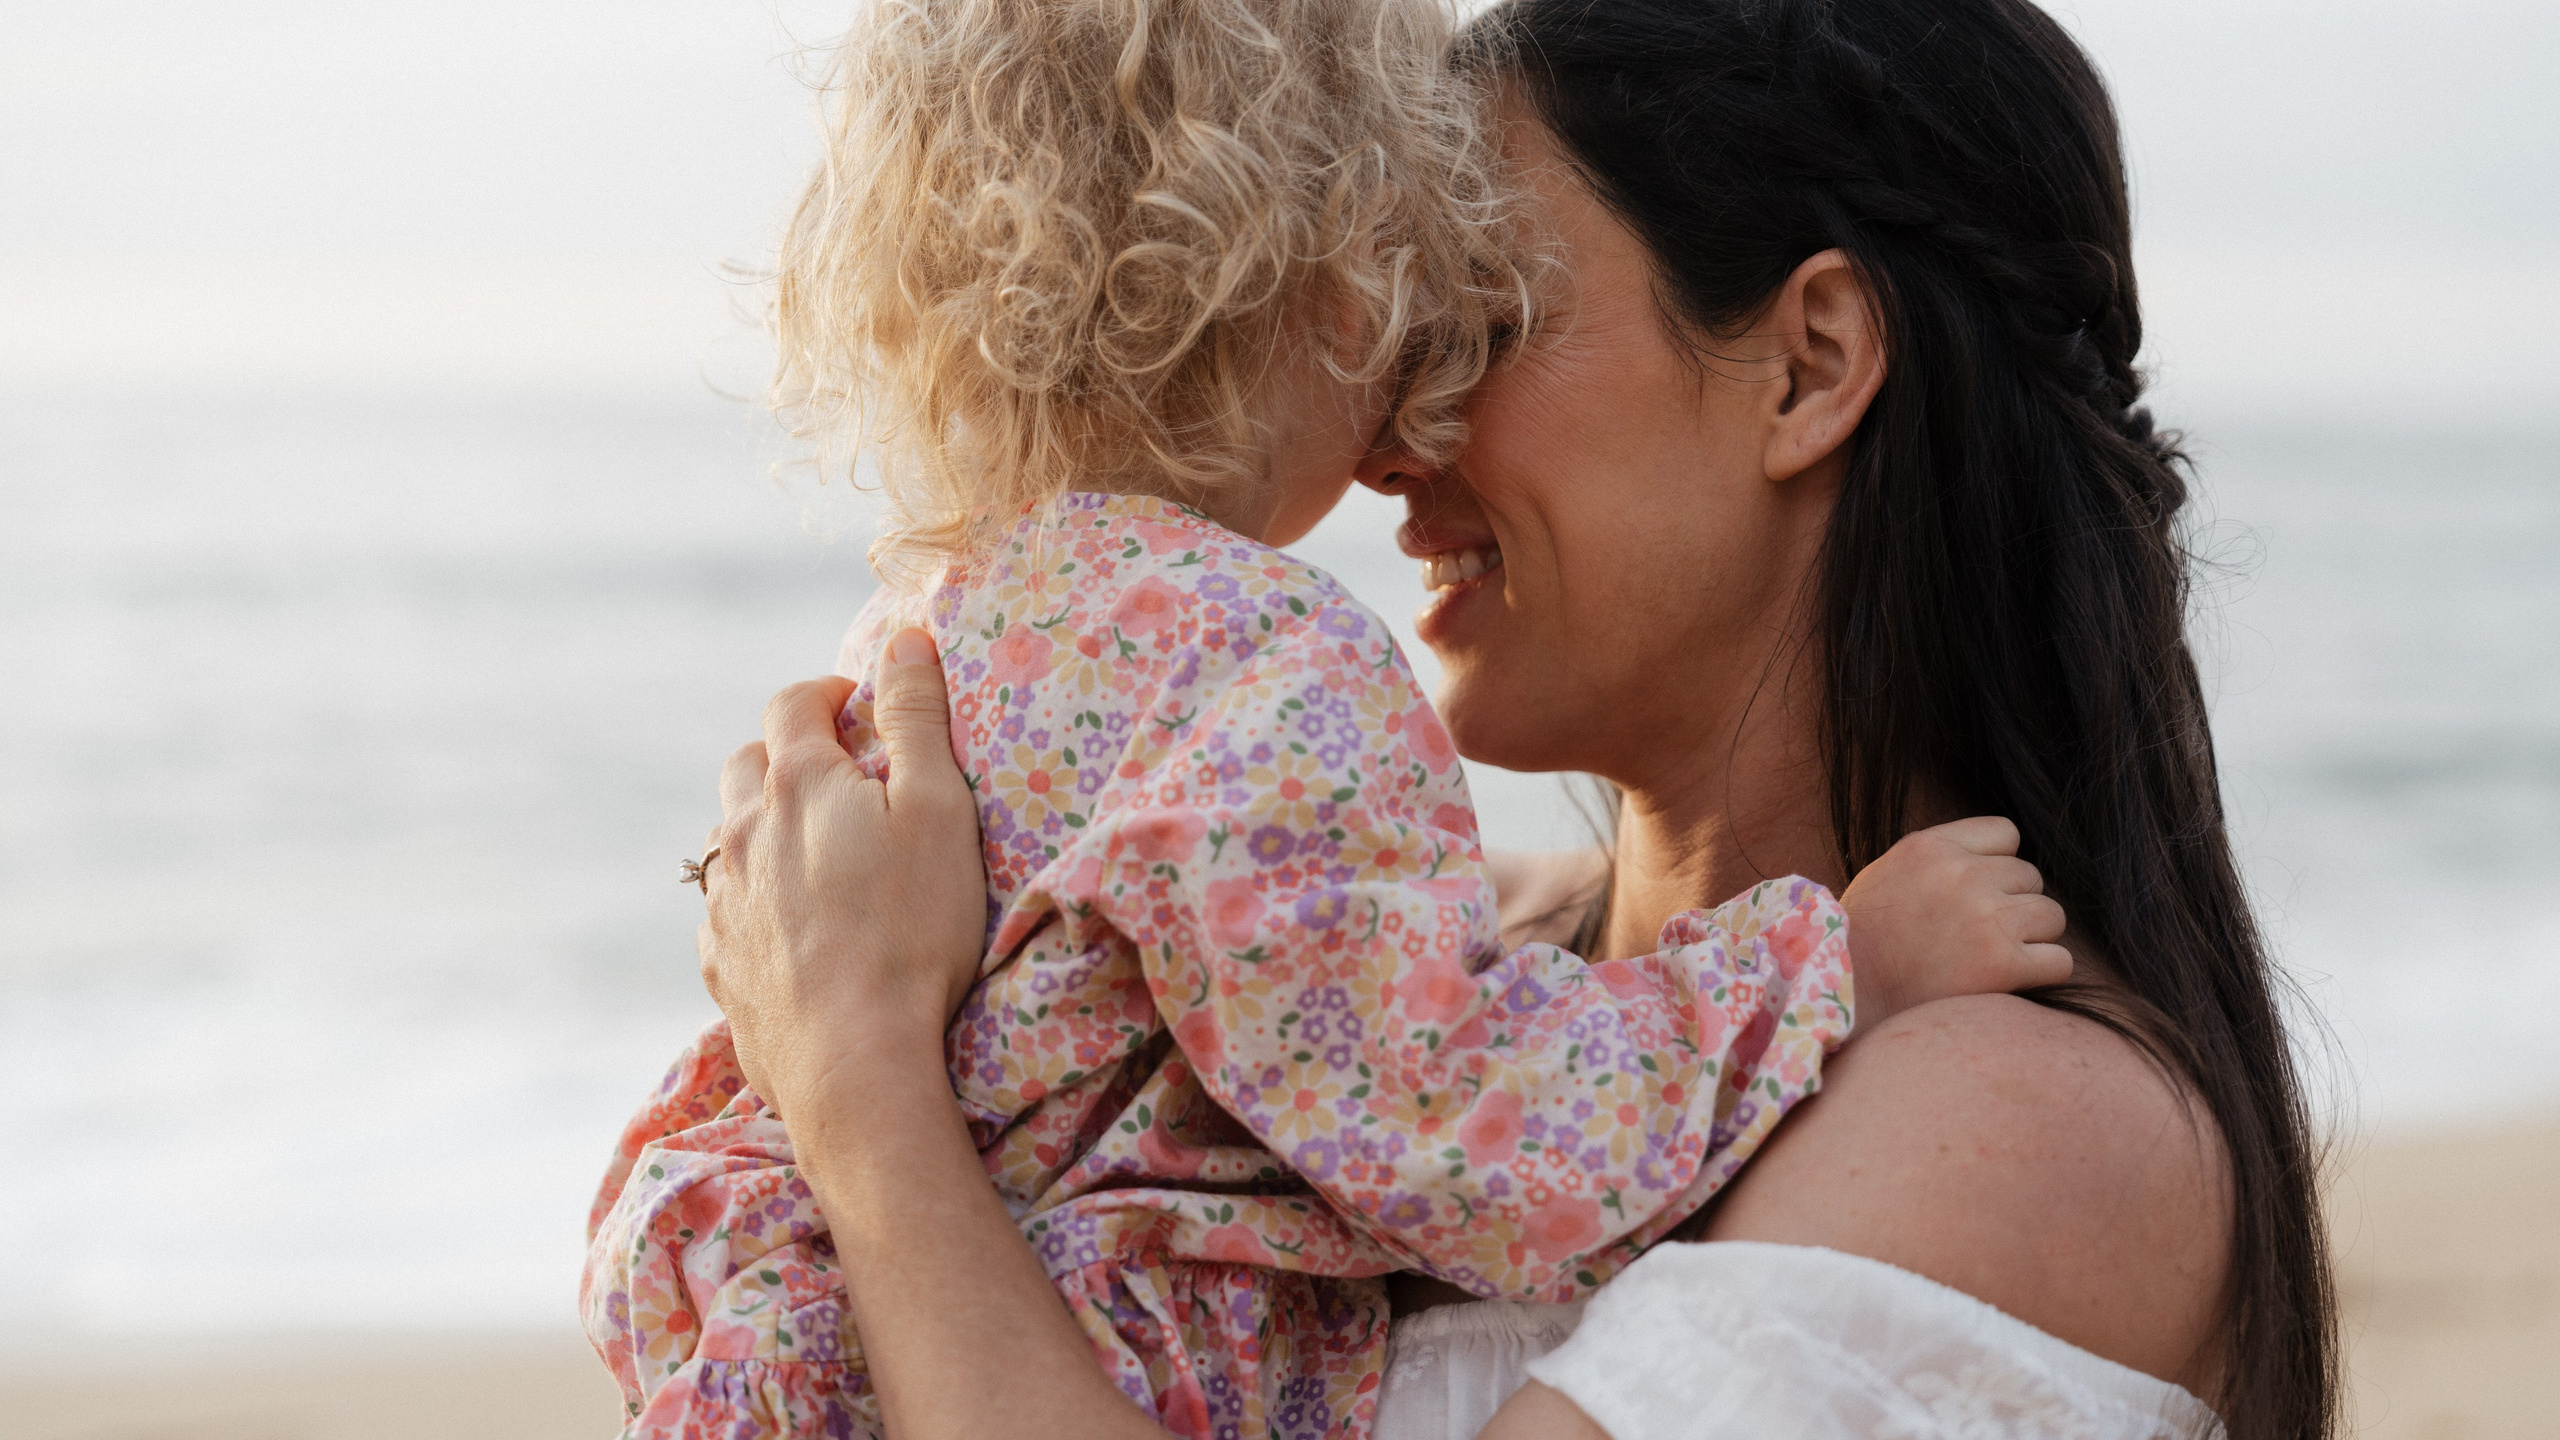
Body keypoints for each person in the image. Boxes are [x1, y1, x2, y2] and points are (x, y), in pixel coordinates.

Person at [686, 0, 2338, 1437]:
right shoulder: (1428, 975)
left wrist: (859, 1087)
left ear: (1809, 361)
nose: (1400, 439)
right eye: (1389, 311)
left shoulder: (2015, 1111)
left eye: (1475, 319)